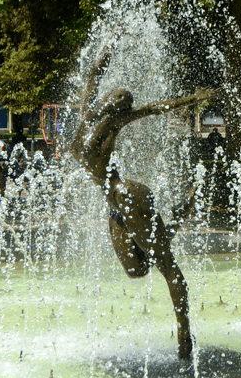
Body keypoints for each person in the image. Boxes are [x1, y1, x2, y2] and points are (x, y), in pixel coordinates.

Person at [72, 46, 216, 361]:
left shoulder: (111, 122)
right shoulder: (88, 116)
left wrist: (193, 100)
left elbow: (155, 108)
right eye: (118, 98)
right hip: (116, 207)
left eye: (123, 101)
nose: (120, 102)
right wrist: (98, 65)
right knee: (138, 269)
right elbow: (92, 86)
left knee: (167, 266)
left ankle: (184, 334)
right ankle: (179, 215)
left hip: (127, 197)